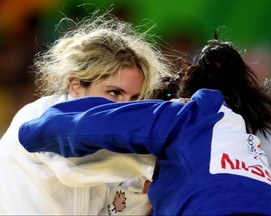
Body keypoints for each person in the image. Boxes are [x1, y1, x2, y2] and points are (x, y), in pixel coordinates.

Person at [19, 38, 271, 215]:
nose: (126, 105)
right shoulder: (245, 143)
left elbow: (90, 126)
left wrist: (32, 130)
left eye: (136, 100)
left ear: (183, 96)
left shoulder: (184, 113)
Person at [0, 10, 175, 215]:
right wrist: (154, 162)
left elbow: (113, 211)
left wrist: (140, 189)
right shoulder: (37, 116)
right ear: (76, 86)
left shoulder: (116, 151)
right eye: (114, 92)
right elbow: (72, 170)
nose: (125, 107)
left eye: (134, 99)